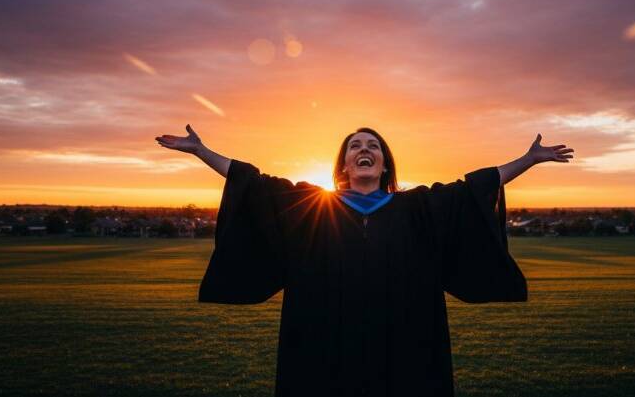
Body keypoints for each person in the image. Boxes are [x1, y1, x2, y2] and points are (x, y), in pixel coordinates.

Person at [156, 125, 573, 397]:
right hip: (325, 347)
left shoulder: (418, 208)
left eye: (373, 146)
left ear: (385, 162)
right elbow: (254, 184)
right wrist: (202, 151)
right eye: (356, 146)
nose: (364, 150)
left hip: (404, 347)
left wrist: (528, 160)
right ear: (344, 164)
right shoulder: (312, 206)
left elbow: (474, 189)